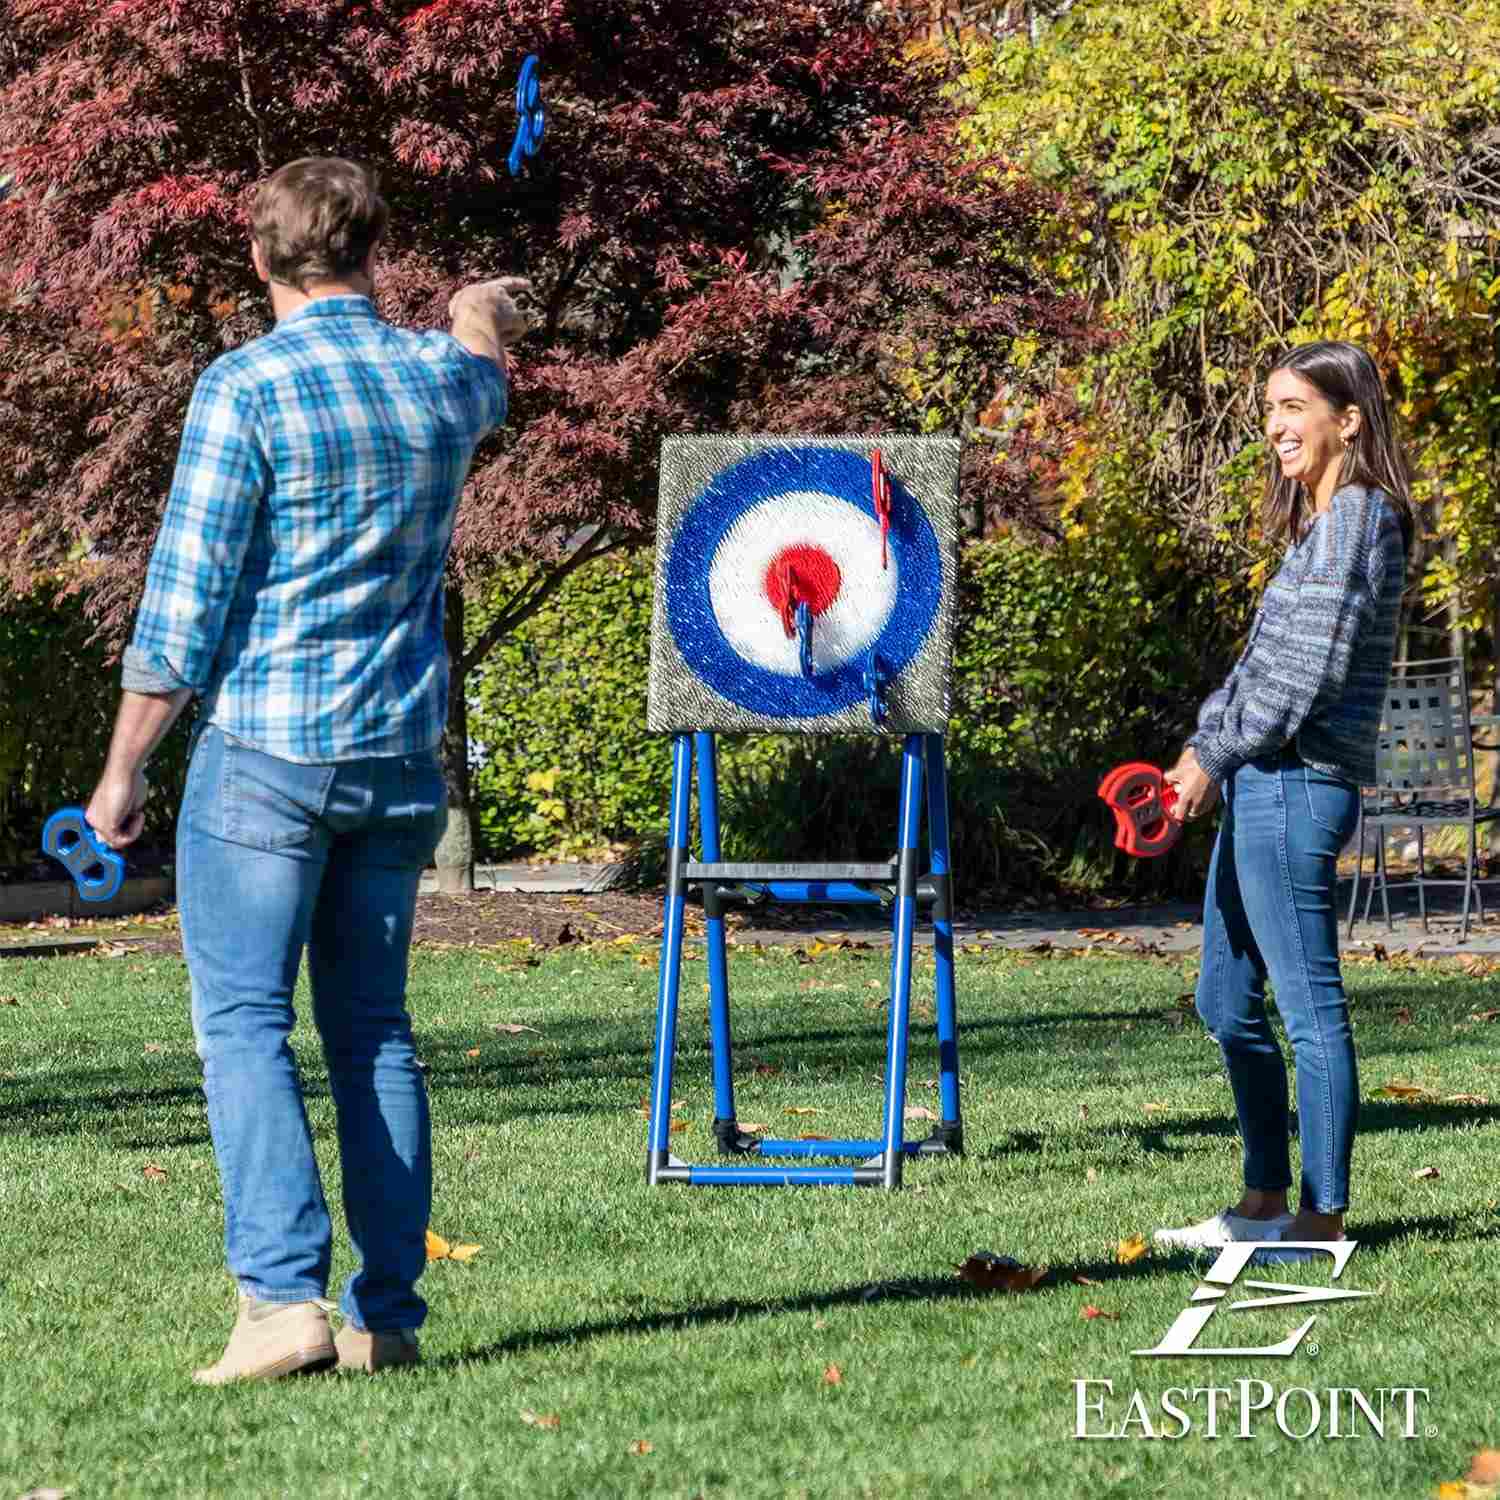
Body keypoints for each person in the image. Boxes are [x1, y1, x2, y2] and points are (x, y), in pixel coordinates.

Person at [83, 157, 529, 1382]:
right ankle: (386, 1313)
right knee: (375, 1032)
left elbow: (182, 606)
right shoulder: (440, 382)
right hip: (397, 761)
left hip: (269, 759)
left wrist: (123, 771)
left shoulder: (246, 390)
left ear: (261, 260)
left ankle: (282, 1305)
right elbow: (484, 374)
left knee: (243, 1025)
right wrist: (477, 314)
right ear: (373, 249)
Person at [1154, 340, 1413, 1259]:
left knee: (1310, 1012)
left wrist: (1211, 757)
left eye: (1294, 406)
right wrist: (1203, 747)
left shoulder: (1359, 521)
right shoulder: (1320, 527)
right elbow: (1260, 668)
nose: (1275, 426)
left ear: (1349, 419)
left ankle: (1320, 1218)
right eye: (1270, 408)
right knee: (1226, 1002)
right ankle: (1262, 1203)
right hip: (1257, 782)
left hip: (1298, 786)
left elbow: (1304, 678)